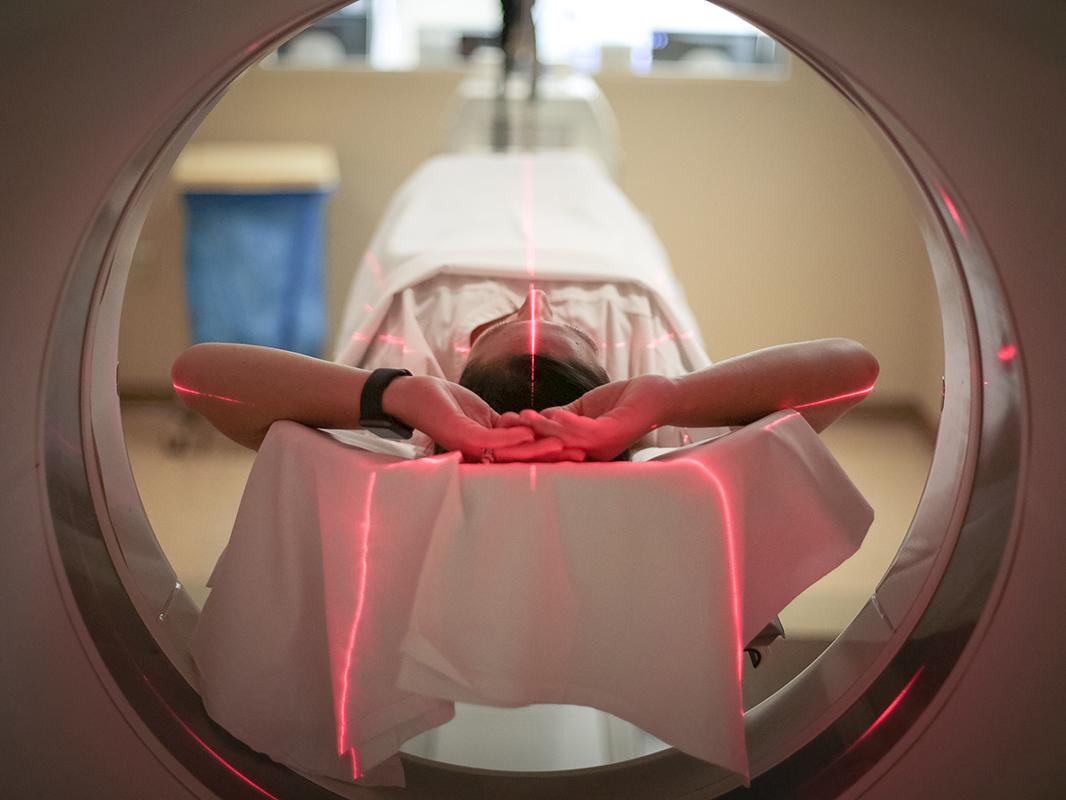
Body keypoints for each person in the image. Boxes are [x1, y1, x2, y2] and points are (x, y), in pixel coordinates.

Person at [171, 153, 879, 461]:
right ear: (610, 373)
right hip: (594, 231)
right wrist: (663, 397)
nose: (535, 302)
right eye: (565, 332)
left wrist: (400, 395)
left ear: (457, 368)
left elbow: (198, 375)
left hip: (447, 213)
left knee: (450, 169)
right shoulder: (658, 418)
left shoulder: (411, 371)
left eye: (506, 329)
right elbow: (853, 369)